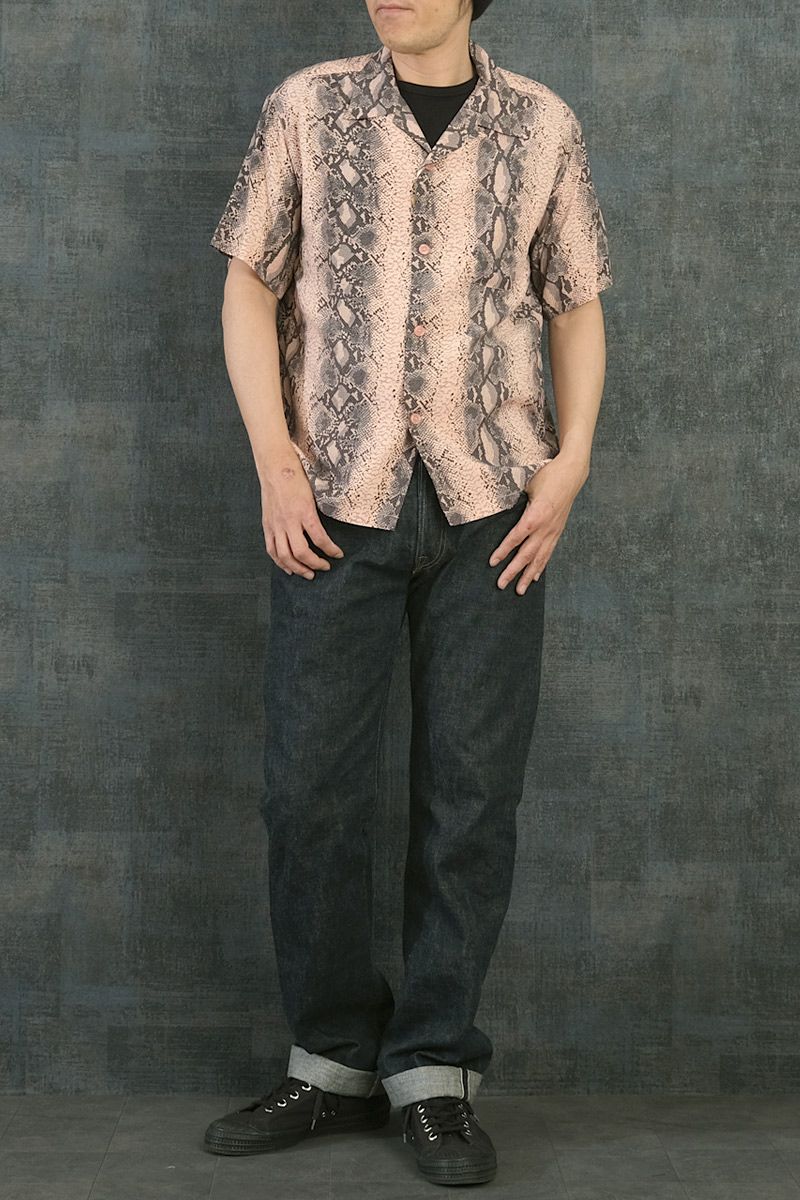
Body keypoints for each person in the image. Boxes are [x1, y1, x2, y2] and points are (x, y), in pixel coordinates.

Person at [203, 0, 612, 1186]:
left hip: (494, 507)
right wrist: (274, 459)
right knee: (307, 792)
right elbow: (248, 284)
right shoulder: (305, 107)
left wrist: (570, 465)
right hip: (334, 497)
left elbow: (574, 300)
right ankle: (332, 1059)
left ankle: (431, 1068)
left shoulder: (541, 124)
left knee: (470, 799)